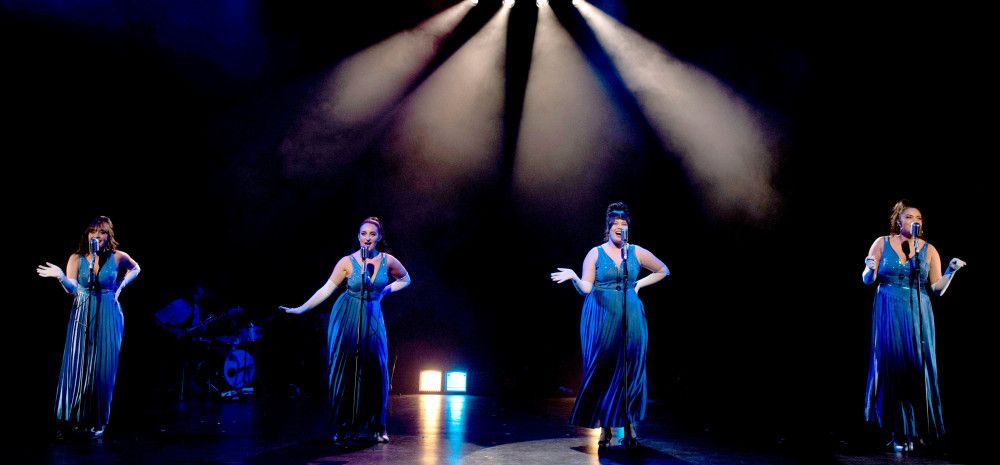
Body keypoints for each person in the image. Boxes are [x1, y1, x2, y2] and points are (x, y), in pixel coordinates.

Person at [279, 216, 411, 444]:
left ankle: (377, 427)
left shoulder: (388, 260)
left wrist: (384, 291)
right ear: (358, 236)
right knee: (346, 369)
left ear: (379, 237)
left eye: (372, 234)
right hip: (347, 315)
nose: (367, 238)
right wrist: (300, 309)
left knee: (376, 367)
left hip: (373, 314)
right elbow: (326, 289)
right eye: (363, 233)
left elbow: (406, 279)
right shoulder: (347, 262)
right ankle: (343, 426)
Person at [551, 202, 670, 449]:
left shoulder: (635, 252)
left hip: (631, 316)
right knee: (604, 370)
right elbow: (586, 288)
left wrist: (638, 285)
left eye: (623, 223)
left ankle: (630, 429)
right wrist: (574, 276)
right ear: (608, 227)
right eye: (615, 223)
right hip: (602, 316)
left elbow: (663, 270)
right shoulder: (595, 253)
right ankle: (605, 428)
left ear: (628, 228)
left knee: (631, 371)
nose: (619, 227)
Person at [862, 200, 966, 452]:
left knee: (917, 367)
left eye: (918, 216)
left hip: (918, 310)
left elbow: (937, 289)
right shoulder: (881, 242)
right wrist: (869, 268)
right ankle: (899, 430)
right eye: (909, 216)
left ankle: (918, 429)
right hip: (889, 307)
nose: (914, 220)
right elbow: (867, 279)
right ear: (899, 220)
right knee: (893, 366)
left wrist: (951, 271)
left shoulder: (929, 250)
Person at [36, 216, 141, 439]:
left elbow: (136, 268)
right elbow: (73, 288)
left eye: (101, 232)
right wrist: (61, 277)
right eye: (93, 231)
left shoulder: (118, 257)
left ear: (108, 236)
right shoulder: (77, 258)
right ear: (87, 235)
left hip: (108, 313)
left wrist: (121, 286)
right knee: (78, 364)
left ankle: (97, 421)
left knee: (101, 369)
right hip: (82, 313)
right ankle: (72, 419)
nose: (96, 235)